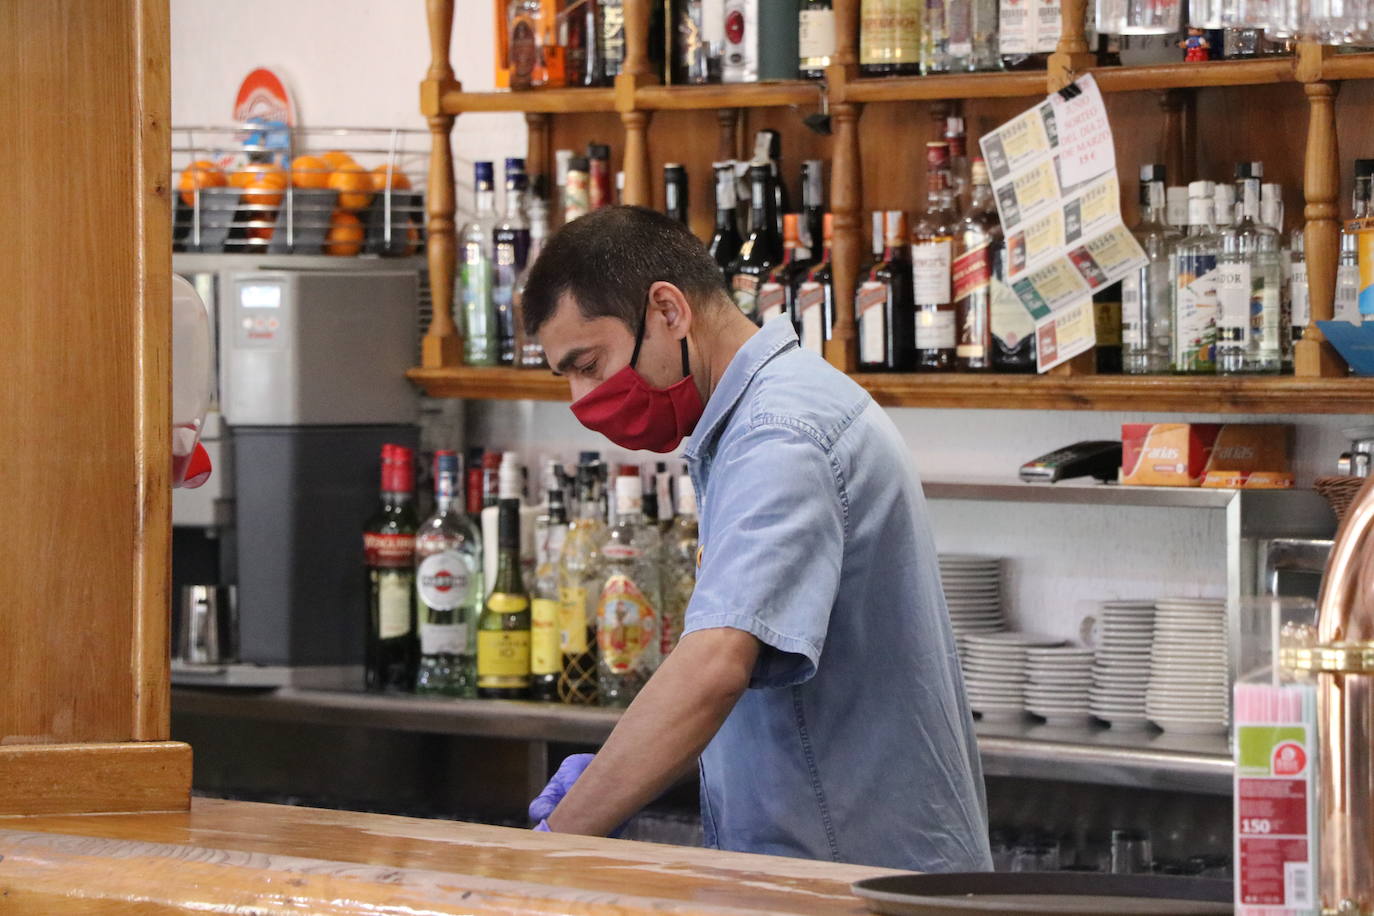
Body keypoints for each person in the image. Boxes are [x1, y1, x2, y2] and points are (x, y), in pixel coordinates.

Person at [519, 206, 991, 872]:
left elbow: (715, 667)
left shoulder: (781, 434)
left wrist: (556, 843)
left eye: (590, 364)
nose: (583, 398)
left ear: (668, 311)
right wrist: (618, 769)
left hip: (851, 880)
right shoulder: (775, 413)